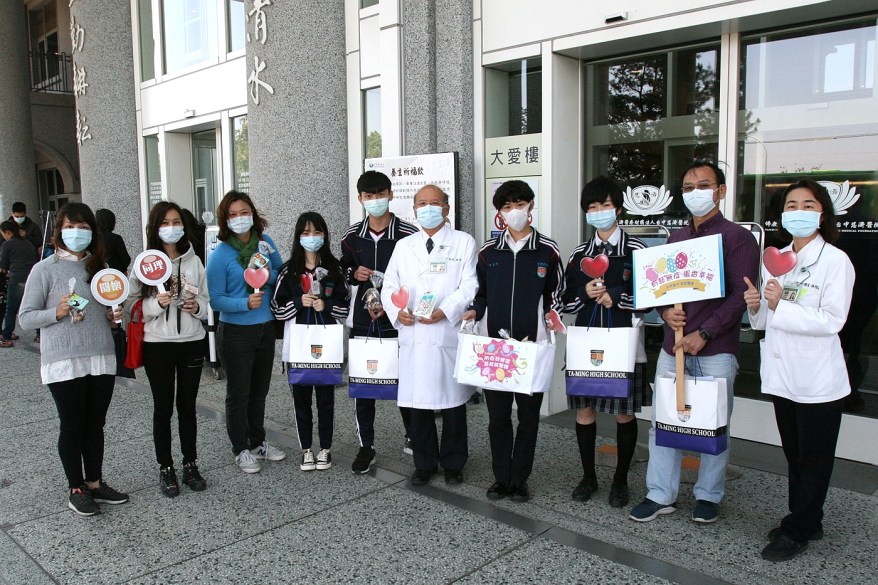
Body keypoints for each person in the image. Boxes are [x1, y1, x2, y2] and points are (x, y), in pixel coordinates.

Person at [629, 161, 758, 524]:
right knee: (664, 421)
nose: (695, 192)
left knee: (713, 422)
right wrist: (665, 313)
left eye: (703, 185)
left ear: (721, 191)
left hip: (715, 349)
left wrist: (705, 333)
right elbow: (660, 289)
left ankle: (708, 495)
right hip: (673, 348)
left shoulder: (737, 238)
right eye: (688, 187)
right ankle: (660, 493)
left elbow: (741, 296)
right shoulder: (676, 239)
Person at [744, 179, 855, 561]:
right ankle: (808, 518)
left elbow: (833, 320)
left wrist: (780, 306)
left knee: (814, 459)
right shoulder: (777, 258)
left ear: (822, 215)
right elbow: (766, 319)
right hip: (783, 376)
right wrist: (756, 306)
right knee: (795, 454)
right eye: (791, 205)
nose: (799, 212)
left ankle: (799, 528)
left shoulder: (835, 261)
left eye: (808, 205)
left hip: (817, 380)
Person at [18, 202, 129, 516]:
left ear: (93, 232)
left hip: (100, 355)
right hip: (64, 360)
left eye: (83, 227)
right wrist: (57, 311)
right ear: (59, 231)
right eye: (70, 226)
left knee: (96, 423)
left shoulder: (100, 268)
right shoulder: (44, 269)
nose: (76, 233)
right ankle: (76, 488)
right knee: (72, 425)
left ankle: (95, 483)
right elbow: (25, 318)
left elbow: (106, 312)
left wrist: (113, 316)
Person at [462, 180, 563, 503]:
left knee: (529, 418)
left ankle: (519, 479)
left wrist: (552, 315)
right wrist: (473, 310)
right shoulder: (488, 252)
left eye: (519, 204)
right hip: (495, 349)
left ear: (531, 206)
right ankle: (501, 477)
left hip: (532, 347)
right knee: (498, 418)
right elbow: (481, 294)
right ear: (500, 213)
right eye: (507, 207)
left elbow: (556, 294)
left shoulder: (548, 250)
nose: (514, 211)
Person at [382, 184, 478, 486]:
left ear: (446, 208)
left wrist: (446, 310)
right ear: (414, 209)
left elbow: (470, 285)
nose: (428, 208)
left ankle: (453, 463)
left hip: (445, 332)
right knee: (417, 403)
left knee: (453, 403)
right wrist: (397, 311)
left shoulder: (463, 242)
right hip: (413, 333)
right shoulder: (404, 246)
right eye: (422, 203)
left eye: (434, 203)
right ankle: (423, 463)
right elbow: (389, 286)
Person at [562, 177, 649, 508]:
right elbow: (564, 300)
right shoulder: (579, 254)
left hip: (625, 343)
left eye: (606, 205)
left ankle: (620, 480)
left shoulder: (637, 250)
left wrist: (617, 297)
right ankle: (589, 477)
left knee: (624, 414)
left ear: (619, 209)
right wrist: (585, 293)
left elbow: (651, 297)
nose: (600, 211)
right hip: (586, 343)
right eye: (593, 207)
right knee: (584, 412)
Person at [127, 202, 209, 497]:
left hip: (191, 341)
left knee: (187, 406)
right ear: (155, 227)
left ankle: (190, 463)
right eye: (165, 222)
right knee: (163, 408)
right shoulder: (144, 263)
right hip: (157, 345)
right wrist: (154, 304)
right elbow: (130, 306)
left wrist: (197, 307)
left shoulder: (194, 261)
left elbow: (207, 300)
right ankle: (166, 467)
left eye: (176, 222)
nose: (171, 228)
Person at [340, 170, 419, 473]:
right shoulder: (351, 236)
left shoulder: (408, 234)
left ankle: (414, 436)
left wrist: (396, 303)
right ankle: (366, 446)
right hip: (363, 320)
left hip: (398, 319)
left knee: (406, 380)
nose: (375, 200)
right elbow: (343, 268)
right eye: (369, 196)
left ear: (390, 195)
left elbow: (417, 274)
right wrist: (353, 273)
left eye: (381, 194)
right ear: (360, 199)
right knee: (364, 384)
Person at [206, 191, 285, 474]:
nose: (239, 218)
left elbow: (281, 274)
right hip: (236, 332)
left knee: (259, 391)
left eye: (244, 212)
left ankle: (258, 442)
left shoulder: (265, 243)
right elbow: (216, 300)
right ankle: (240, 448)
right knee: (239, 393)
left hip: (265, 329)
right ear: (225, 220)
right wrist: (243, 303)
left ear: (252, 213)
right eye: (233, 215)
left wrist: (265, 272)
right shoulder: (220, 255)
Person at [272, 212, 350, 472]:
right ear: (298, 237)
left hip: (327, 346)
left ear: (325, 235)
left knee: (326, 399)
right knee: (301, 399)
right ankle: (306, 449)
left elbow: (346, 306)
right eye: (306, 233)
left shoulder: (335, 269)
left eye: (317, 232)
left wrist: (325, 305)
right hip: (298, 346)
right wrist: (298, 302)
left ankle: (325, 448)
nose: (311, 238)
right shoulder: (288, 271)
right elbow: (276, 309)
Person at [0, 220, 38, 346]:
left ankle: (6, 337)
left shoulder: (7, 245)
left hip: (16, 279)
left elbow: (3, 265)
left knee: (11, 310)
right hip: (32, 279)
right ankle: (39, 334)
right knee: (34, 307)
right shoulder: (27, 243)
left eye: (2, 234)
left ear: (7, 232)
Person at [95, 209, 131, 274]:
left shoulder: (92, 238)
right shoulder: (116, 238)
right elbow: (126, 259)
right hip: (116, 275)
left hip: (97, 276)